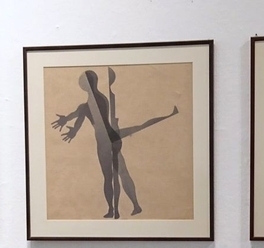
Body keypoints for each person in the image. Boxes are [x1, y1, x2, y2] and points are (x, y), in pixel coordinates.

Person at [51, 69, 178, 219]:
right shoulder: (97, 101)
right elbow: (79, 118)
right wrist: (71, 126)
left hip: (106, 141)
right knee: (119, 172)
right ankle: (125, 207)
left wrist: (70, 125)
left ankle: (116, 210)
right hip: (110, 138)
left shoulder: (91, 104)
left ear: (83, 85)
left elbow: (80, 117)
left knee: (112, 175)